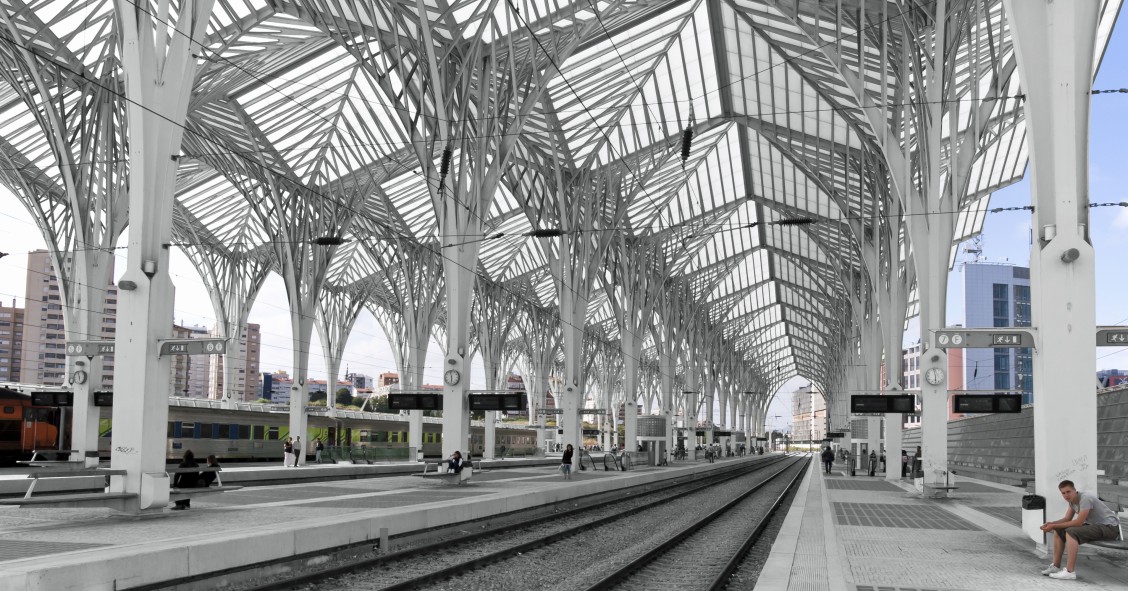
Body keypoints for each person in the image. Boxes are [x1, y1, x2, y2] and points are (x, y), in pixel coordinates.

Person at [1040, 480, 1122, 580]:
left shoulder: (1085, 498)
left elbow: (1078, 522)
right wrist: (1052, 524)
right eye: (1063, 493)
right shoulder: (1072, 501)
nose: (1066, 495)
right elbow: (1067, 519)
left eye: (1068, 492)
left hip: (1110, 528)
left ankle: (1070, 572)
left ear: (1075, 490)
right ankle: (1056, 567)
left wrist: (1054, 525)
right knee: (1059, 529)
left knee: (1071, 532)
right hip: (1096, 526)